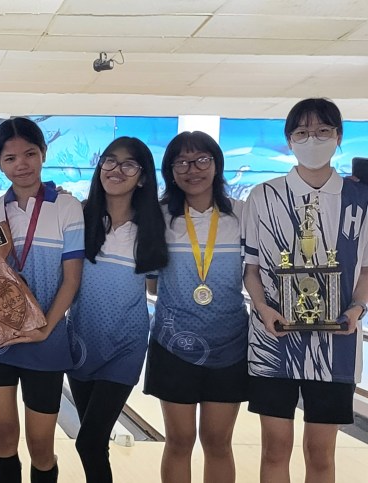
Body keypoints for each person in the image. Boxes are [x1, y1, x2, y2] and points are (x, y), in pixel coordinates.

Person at [243, 98, 368, 483]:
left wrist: (357, 308)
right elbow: (251, 270)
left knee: (321, 452)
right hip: (273, 338)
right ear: (289, 140)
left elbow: (366, 268)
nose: (312, 139)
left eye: (322, 131)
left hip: (336, 344)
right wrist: (263, 308)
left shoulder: (360, 199)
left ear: (338, 136)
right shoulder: (263, 196)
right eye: (302, 132)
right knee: (275, 447)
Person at [0, 117, 83, 483]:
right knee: (4, 436)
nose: (21, 164)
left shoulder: (66, 207)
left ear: (43, 154)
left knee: (40, 445)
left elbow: (72, 279)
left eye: (30, 154)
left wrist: (46, 329)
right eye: (10, 158)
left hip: (46, 339)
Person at [145, 131, 248, 483]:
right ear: (170, 171)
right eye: (182, 163)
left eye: (202, 160)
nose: (193, 169)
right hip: (173, 344)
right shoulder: (159, 217)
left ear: (216, 164)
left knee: (218, 442)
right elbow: (150, 280)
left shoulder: (241, 215)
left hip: (230, 344)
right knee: (179, 441)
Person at [66, 137, 167, 483]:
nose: (116, 169)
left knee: (89, 441)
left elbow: (154, 287)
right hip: (81, 342)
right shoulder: (79, 218)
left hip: (126, 344)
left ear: (142, 177)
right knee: (93, 445)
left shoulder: (152, 228)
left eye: (128, 164)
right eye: (109, 161)